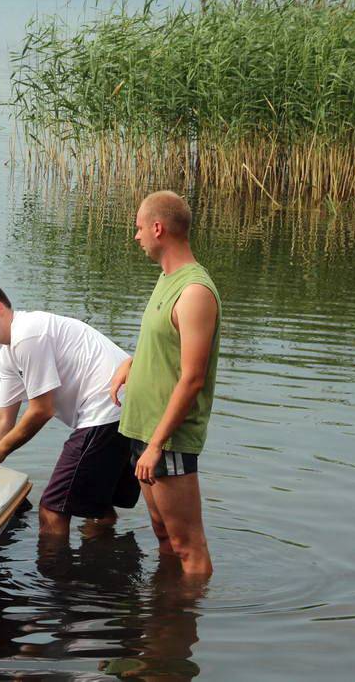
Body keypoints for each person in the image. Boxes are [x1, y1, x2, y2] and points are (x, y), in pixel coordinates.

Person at [0, 277, 140, 537]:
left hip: (109, 409)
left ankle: (55, 565)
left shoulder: (28, 335)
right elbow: (3, 418)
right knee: (97, 508)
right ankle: (104, 558)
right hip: (124, 409)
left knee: (52, 509)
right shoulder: (9, 354)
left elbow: (42, 410)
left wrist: (2, 449)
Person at [110, 191, 221, 576]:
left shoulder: (194, 292)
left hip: (168, 440)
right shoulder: (167, 279)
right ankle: (165, 606)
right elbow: (166, 344)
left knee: (188, 546)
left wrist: (157, 445)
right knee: (163, 535)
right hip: (144, 429)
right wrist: (132, 363)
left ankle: (189, 612)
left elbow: (192, 378)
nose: (136, 236)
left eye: (139, 228)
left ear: (158, 228)